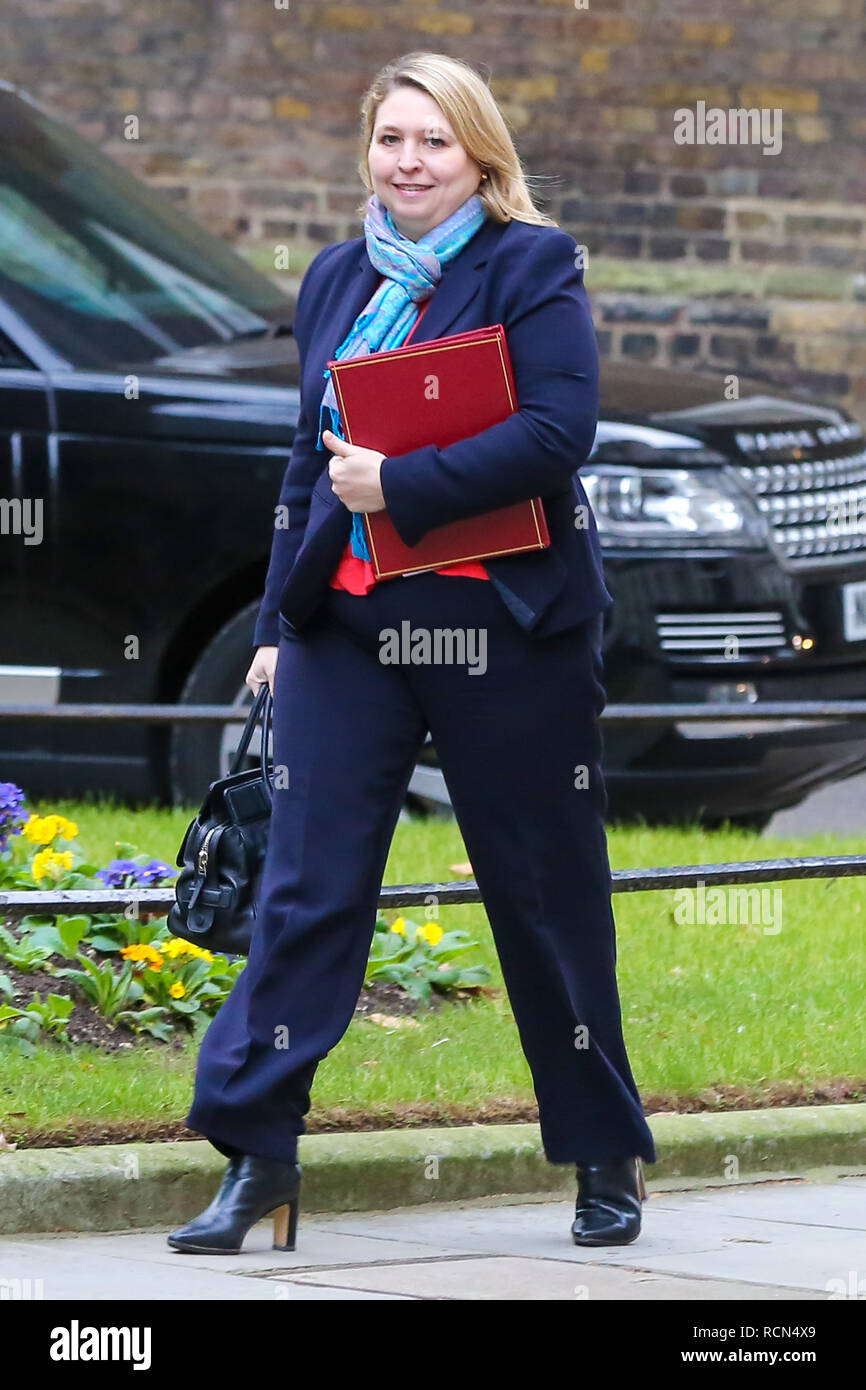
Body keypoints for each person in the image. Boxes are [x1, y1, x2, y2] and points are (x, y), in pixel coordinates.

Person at [168, 49, 657, 1258]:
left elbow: (557, 432)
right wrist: (282, 625)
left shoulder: (530, 265)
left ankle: (601, 1152)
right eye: (391, 140)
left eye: (433, 141)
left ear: (478, 155)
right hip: (347, 627)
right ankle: (257, 1158)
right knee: (305, 890)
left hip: (504, 623)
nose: (409, 162)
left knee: (543, 897)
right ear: (366, 155)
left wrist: (402, 484)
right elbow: (304, 461)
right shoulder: (337, 278)